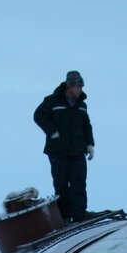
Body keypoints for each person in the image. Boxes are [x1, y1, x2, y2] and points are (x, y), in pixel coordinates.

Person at [33, 70, 95, 224]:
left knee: (79, 182)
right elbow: (39, 115)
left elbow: (86, 125)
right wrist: (52, 132)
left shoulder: (82, 105)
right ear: (70, 86)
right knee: (61, 184)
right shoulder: (53, 101)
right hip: (58, 151)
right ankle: (64, 216)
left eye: (81, 86)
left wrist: (90, 144)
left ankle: (80, 215)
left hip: (78, 150)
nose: (80, 89)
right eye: (78, 86)